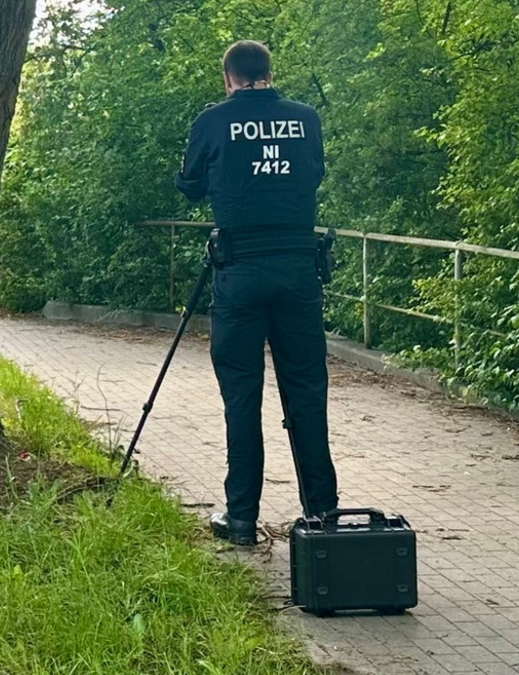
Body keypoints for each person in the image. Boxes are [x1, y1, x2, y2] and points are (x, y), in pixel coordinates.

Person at [174, 40, 339, 546]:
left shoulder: (213, 121)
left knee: (242, 395)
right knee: (307, 391)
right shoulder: (305, 118)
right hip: (297, 271)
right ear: (269, 72)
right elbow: (314, 174)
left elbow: (190, 185)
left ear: (228, 78)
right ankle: (323, 514)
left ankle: (241, 517)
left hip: (240, 271)